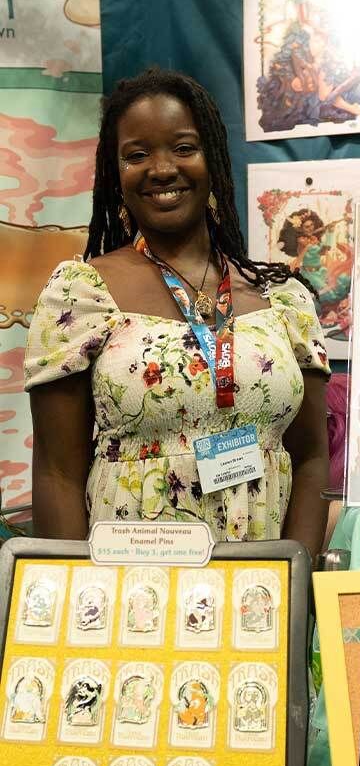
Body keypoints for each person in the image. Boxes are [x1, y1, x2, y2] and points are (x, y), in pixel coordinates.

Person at [24, 68, 330, 561]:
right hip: (131, 581)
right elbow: (57, 472)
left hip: (260, 585)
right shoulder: (80, 295)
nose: (162, 169)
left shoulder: (282, 299)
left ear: (214, 159)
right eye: (137, 155)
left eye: (184, 148)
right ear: (114, 173)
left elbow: (312, 456)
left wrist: (296, 577)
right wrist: (77, 591)